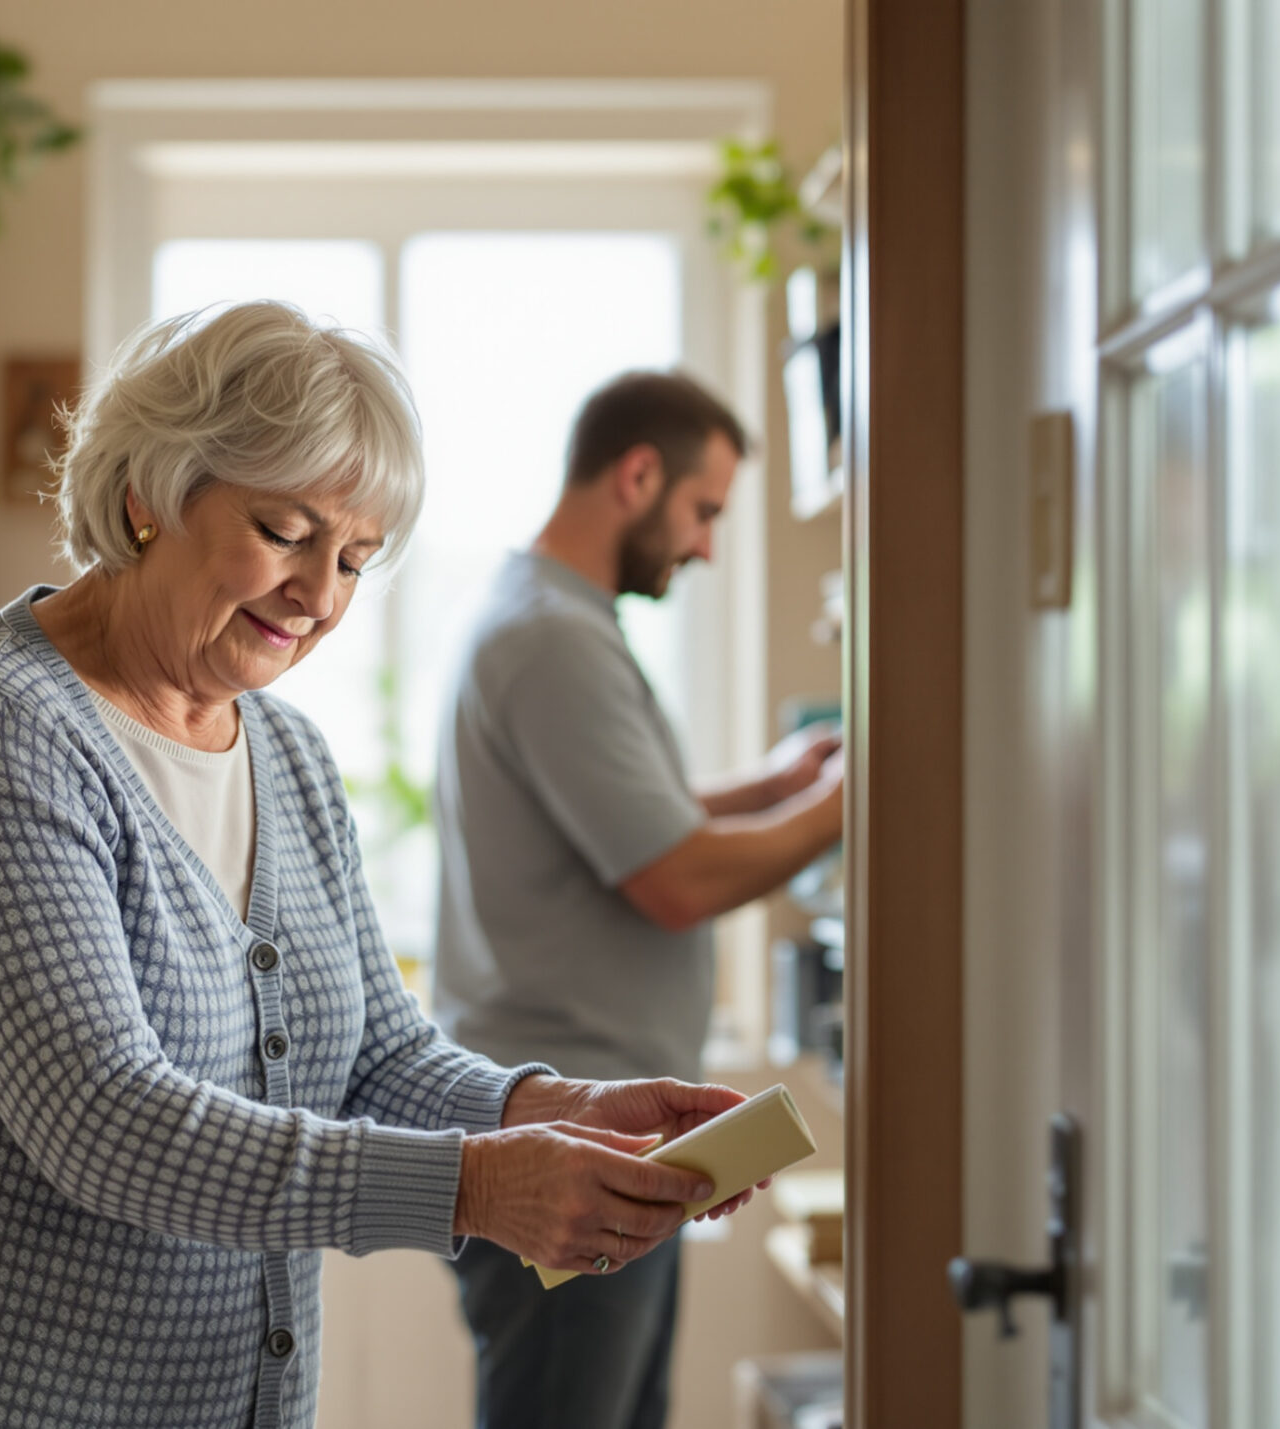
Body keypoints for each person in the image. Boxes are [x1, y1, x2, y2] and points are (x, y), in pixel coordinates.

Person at [0, 305, 763, 1429]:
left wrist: (559, 1106)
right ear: (149, 494)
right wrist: (479, 1186)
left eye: (354, 558)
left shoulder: (283, 753)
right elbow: (104, 1121)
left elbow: (374, 1051)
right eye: (285, 532)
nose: (322, 596)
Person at [432, 371, 845, 1429]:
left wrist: (777, 784)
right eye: (703, 511)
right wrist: (850, 801)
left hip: (600, 1125)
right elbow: (673, 877)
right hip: (574, 1138)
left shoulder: (549, 616)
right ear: (637, 474)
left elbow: (621, 819)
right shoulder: (553, 640)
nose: (705, 546)